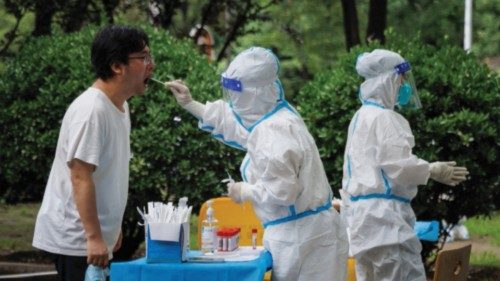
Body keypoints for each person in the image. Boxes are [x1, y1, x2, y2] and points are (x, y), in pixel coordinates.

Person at [166, 47, 348, 281]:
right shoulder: (277, 117)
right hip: (308, 235)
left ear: (254, 93)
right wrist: (191, 104)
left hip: (301, 240)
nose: (233, 101)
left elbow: (283, 191)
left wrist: (245, 190)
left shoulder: (273, 130)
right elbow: (240, 129)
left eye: (236, 93)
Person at [32, 25, 155, 280]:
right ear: (117, 66)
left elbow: (109, 175)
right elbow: (80, 176)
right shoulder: (91, 111)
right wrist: (94, 237)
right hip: (77, 240)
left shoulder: (119, 106)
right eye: (143, 58)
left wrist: (110, 231)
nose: (150, 65)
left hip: (95, 239)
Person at [340, 49, 469, 281]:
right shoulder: (385, 119)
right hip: (386, 223)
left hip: (362, 222)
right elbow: (399, 166)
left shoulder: (360, 117)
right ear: (387, 80)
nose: (404, 86)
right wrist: (431, 169)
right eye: (400, 80)